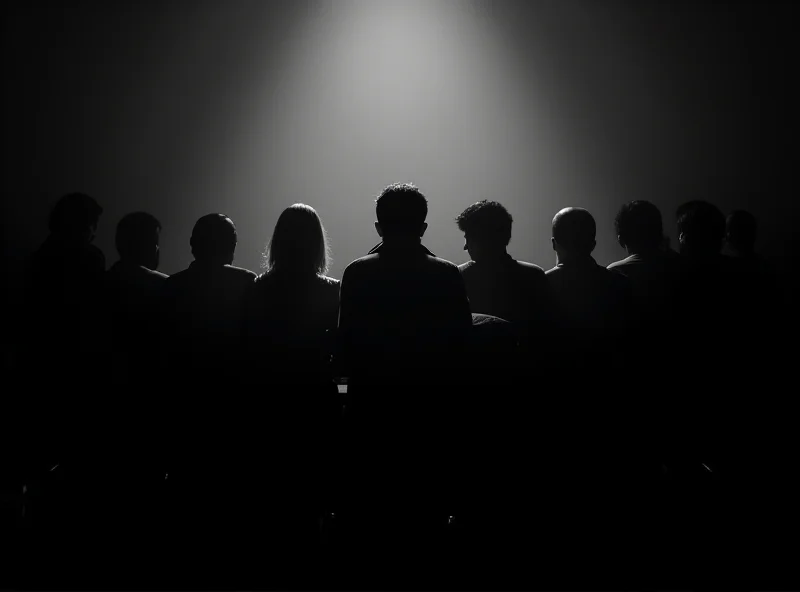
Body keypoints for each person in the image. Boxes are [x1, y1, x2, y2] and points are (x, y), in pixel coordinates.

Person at [336, 183, 472, 584]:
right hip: (429, 417)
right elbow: (461, 349)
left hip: (371, 417)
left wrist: (343, 399)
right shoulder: (446, 274)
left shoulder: (357, 273)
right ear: (424, 227)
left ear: (378, 227)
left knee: (374, 528)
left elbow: (344, 352)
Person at [241, 203, 341, 576]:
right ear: (317, 243)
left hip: (267, 402)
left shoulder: (257, 288)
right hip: (313, 401)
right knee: (312, 499)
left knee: (270, 500)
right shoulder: (332, 292)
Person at [454, 200, 549, 343]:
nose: (465, 247)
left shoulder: (458, 277)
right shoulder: (534, 276)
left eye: (469, 239)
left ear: (484, 240)